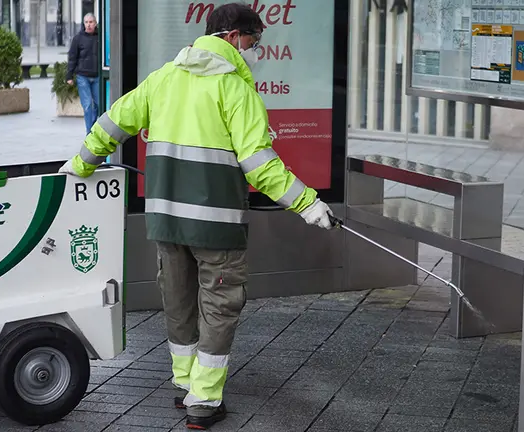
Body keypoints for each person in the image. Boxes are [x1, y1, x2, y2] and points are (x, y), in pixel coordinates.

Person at [57, 3, 334, 429]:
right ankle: (203, 400)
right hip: (216, 225)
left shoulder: (164, 78)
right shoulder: (235, 90)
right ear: (230, 36)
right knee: (219, 306)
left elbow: (113, 122)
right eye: (253, 41)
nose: (254, 51)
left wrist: (80, 164)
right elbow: (260, 164)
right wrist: (308, 204)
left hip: (166, 220)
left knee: (179, 302)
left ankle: (186, 384)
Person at [66, 13, 100, 135]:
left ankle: (95, 128)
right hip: (83, 77)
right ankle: (89, 133)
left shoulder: (100, 37)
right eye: (86, 22)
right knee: (87, 106)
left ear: (95, 23)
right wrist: (69, 76)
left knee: (98, 104)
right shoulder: (78, 38)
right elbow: (72, 57)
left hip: (97, 76)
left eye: (91, 22)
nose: (89, 25)